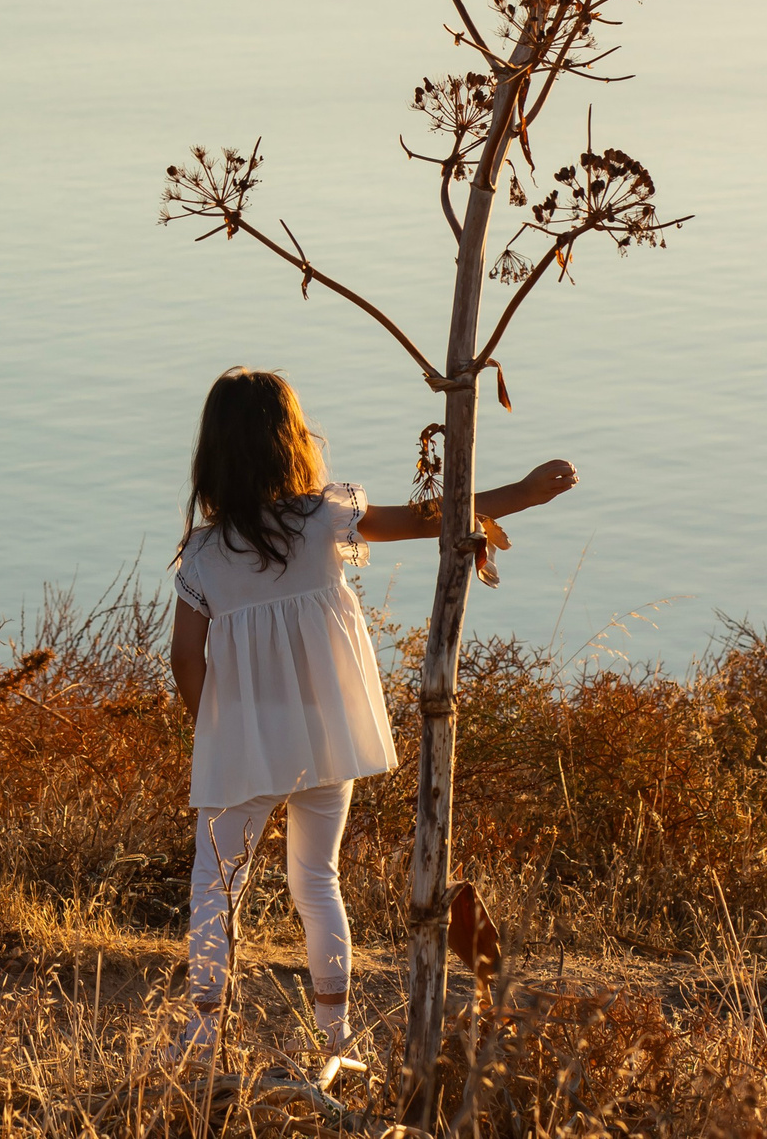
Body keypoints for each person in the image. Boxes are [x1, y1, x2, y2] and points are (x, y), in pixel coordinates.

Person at [168, 367, 577, 1064]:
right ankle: (336, 1039)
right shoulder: (329, 516)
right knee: (316, 882)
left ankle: (201, 1041)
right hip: (326, 741)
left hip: (245, 746)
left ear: (212, 455)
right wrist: (525, 495)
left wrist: (220, 731)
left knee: (217, 884)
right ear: (291, 441)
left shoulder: (204, 557)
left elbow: (186, 660)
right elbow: (434, 518)